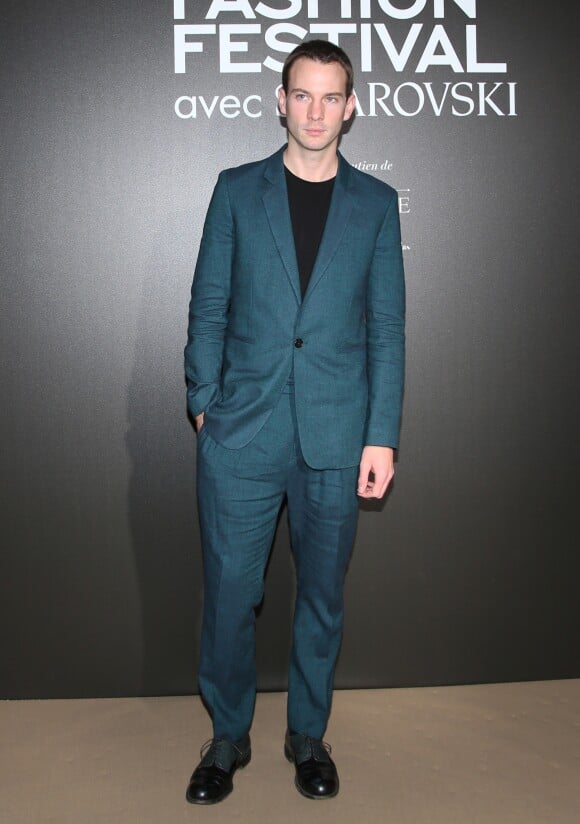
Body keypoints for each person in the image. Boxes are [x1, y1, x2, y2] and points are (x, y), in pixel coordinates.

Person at [184, 39, 405, 805]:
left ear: (351, 106)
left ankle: (308, 734)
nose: (315, 111)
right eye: (301, 95)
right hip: (239, 434)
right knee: (231, 595)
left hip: (337, 438)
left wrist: (381, 434)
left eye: (330, 97)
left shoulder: (375, 206)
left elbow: (387, 330)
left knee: (321, 596)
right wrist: (203, 400)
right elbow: (209, 303)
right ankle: (227, 735)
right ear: (280, 101)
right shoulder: (236, 191)